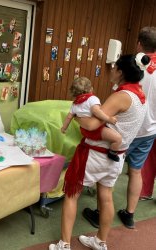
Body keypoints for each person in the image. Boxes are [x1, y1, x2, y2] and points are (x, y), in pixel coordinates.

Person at [49, 53, 149, 250]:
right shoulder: (140, 96)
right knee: (106, 196)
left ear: (120, 72)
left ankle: (64, 244)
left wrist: (76, 117)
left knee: (71, 193)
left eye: (113, 68)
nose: (111, 70)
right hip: (117, 156)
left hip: (95, 154)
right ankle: (100, 241)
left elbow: (93, 124)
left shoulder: (121, 96)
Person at [83, 27, 156, 230]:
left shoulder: (136, 68)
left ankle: (100, 212)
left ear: (140, 44)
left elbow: (115, 102)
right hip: (150, 130)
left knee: (109, 172)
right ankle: (129, 214)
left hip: (125, 130)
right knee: (136, 171)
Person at [61, 77, 122, 161]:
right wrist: (109, 119)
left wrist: (64, 128)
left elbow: (69, 117)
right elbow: (97, 111)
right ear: (91, 89)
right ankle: (112, 153)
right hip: (96, 130)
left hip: (84, 131)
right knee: (118, 139)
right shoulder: (92, 99)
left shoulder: (74, 104)